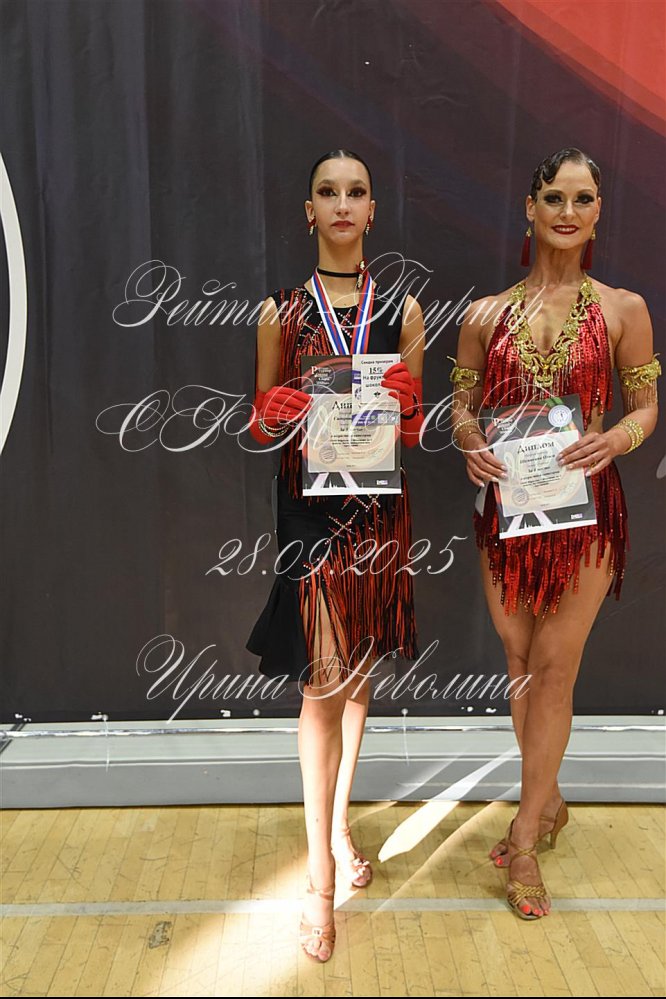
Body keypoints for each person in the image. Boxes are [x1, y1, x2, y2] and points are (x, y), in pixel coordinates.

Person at [450, 147, 660, 920]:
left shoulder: (623, 308)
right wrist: (468, 438)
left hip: (586, 512)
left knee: (554, 666)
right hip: (506, 513)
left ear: (598, 211)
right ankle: (550, 797)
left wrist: (619, 440)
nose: (567, 212)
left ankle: (524, 837)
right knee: (518, 661)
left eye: (582, 198)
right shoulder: (484, 314)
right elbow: (462, 402)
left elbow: (646, 407)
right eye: (554, 198)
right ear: (529, 208)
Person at [245, 149, 425, 960]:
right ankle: (319, 877)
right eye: (328, 191)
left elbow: (413, 430)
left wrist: (411, 406)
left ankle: (340, 824)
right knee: (321, 684)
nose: (342, 203)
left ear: (373, 210)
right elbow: (259, 425)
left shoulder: (404, 310)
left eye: (356, 191)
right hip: (309, 513)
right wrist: (276, 406)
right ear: (308, 211)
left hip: (378, 510)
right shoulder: (280, 312)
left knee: (355, 677)